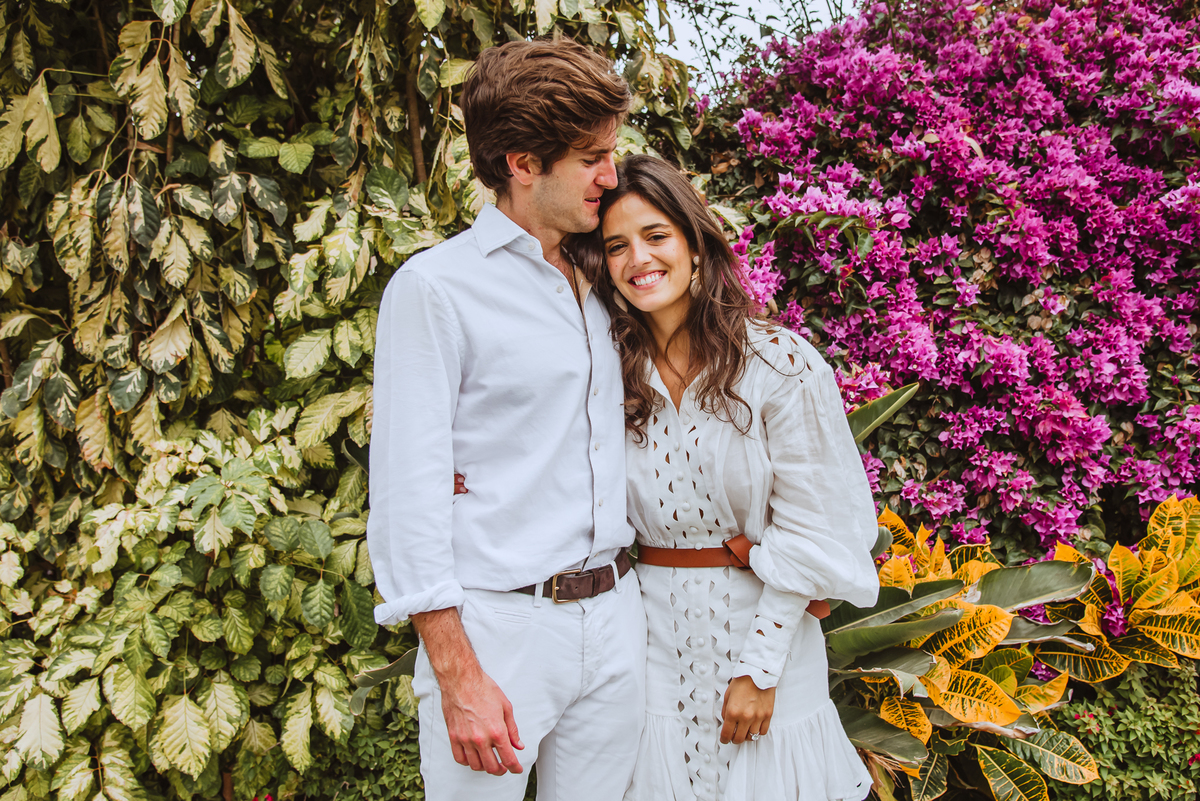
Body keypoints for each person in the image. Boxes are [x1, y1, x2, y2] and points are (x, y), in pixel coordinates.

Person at [366, 39, 646, 801]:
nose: (609, 176)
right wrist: (458, 674)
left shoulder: (607, 273)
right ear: (522, 164)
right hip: (501, 629)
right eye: (590, 157)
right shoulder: (436, 289)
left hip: (618, 621)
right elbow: (405, 496)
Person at [568, 155, 880, 801]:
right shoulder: (606, 374)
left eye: (655, 235)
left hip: (769, 638)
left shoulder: (778, 362)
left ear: (693, 242)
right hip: (649, 648)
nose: (638, 259)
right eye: (616, 245)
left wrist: (760, 668)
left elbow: (816, 527)